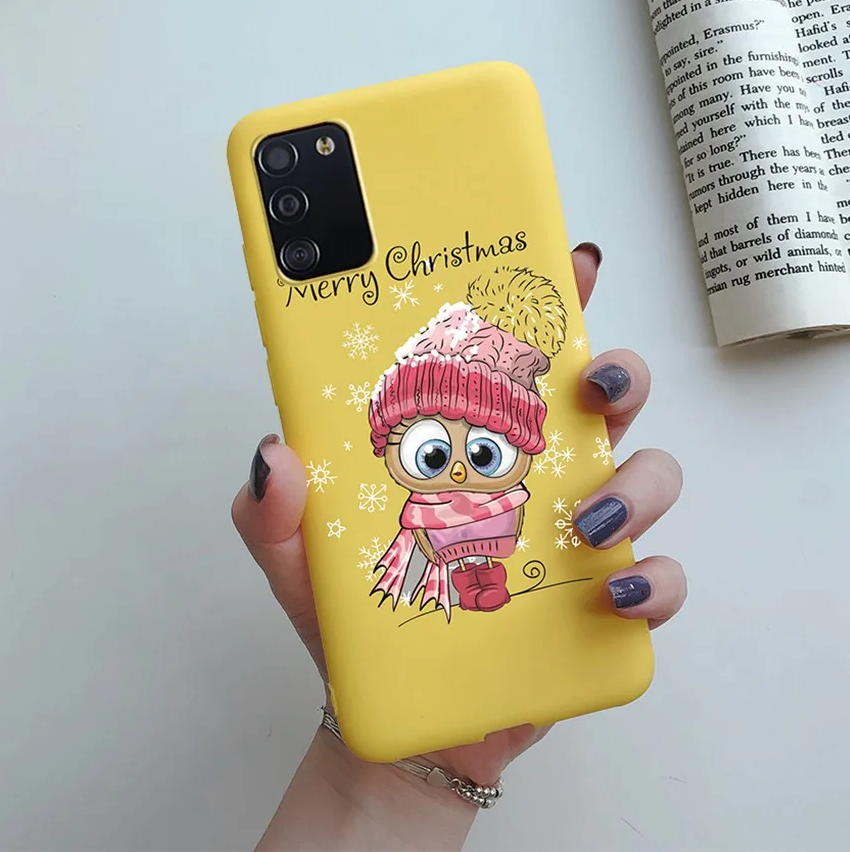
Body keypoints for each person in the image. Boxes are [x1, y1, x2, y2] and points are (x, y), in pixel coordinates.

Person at [230, 244, 687, 851]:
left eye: (485, 453)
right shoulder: (417, 517)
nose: (459, 471)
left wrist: (418, 784)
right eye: (430, 452)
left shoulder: (509, 503)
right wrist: (399, 776)